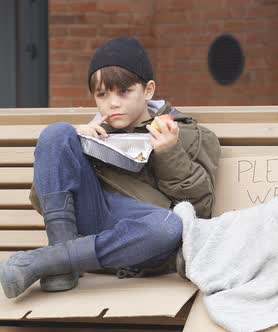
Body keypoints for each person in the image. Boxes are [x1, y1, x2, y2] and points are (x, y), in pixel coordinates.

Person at [0, 36, 220, 299]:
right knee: (56, 133)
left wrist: (170, 153)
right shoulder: (93, 133)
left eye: (124, 91)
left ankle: (50, 261)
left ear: (148, 90)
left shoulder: (189, 135)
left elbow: (200, 209)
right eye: (102, 94)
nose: (112, 103)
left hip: (146, 239)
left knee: (169, 225)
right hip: (96, 227)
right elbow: (43, 201)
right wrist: (74, 144)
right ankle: (62, 267)